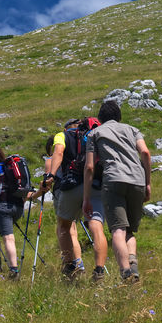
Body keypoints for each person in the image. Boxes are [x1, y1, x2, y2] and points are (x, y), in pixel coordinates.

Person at [84, 99, 152, 282]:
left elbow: (90, 167)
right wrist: (147, 183)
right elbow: (145, 153)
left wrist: (87, 198)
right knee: (129, 230)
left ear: (100, 118)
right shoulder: (132, 129)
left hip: (113, 180)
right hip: (137, 179)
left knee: (117, 230)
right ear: (119, 116)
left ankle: (126, 274)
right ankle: (133, 264)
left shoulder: (95, 133)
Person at [40, 117, 110, 281]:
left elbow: (58, 152)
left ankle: (70, 266)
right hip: (95, 184)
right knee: (96, 226)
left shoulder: (62, 136)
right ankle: (99, 270)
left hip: (72, 185)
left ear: (67, 128)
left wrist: (51, 175)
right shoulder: (93, 134)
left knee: (64, 226)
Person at [0, 147, 33, 280]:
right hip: (18, 207)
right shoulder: (11, 168)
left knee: (8, 238)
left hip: (3, 208)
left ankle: (13, 271)